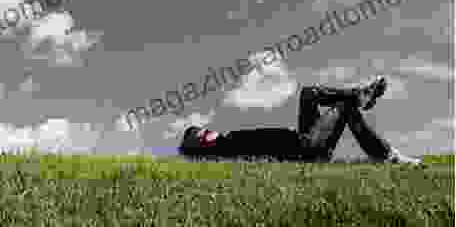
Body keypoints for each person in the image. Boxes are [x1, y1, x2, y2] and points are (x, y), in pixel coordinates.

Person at [179, 76, 422, 165]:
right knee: (344, 108)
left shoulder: (227, 140)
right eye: (200, 135)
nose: (206, 131)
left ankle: (360, 95)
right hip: (306, 149)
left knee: (309, 93)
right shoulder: (225, 153)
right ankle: (388, 156)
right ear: (199, 147)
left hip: (302, 138)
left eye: (202, 130)